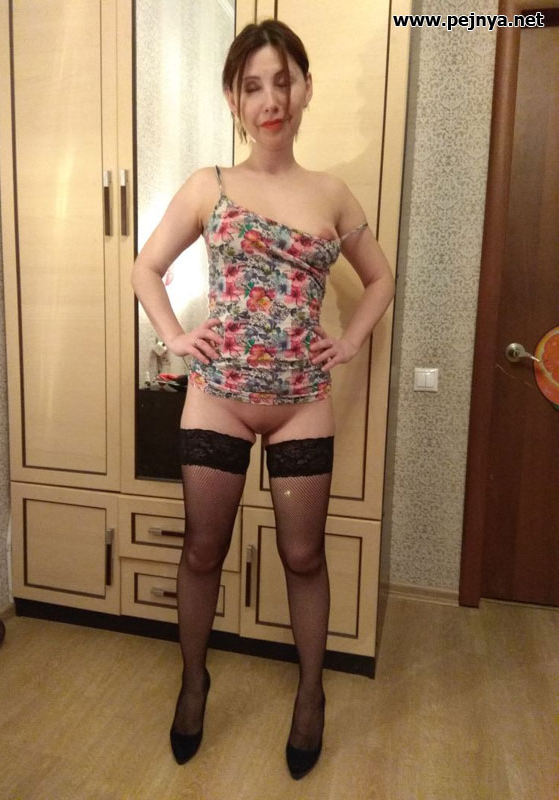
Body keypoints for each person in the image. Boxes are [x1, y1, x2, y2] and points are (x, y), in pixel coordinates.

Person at [131, 19, 395, 780]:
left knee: (303, 556)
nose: (271, 99)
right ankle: (193, 683)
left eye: (284, 81)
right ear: (233, 99)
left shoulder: (332, 194)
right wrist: (174, 337)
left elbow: (380, 278)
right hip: (218, 396)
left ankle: (311, 695)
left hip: (301, 399)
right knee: (202, 550)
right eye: (253, 86)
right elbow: (146, 268)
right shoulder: (208, 184)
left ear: (305, 88)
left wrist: (350, 342)